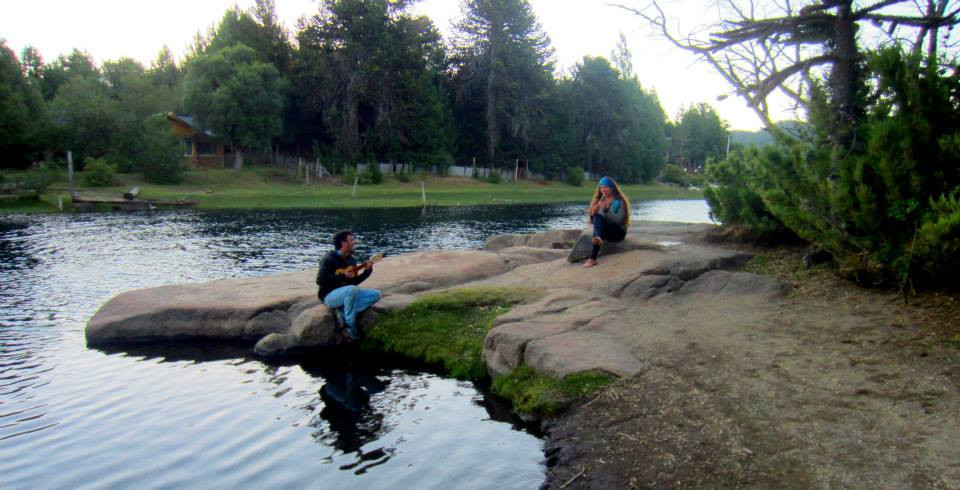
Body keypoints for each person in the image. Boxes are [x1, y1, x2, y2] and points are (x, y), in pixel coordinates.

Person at [317, 230, 382, 341]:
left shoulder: (352, 260)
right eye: (351, 240)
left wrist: (367, 272)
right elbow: (320, 280)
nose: (354, 242)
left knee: (376, 294)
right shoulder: (328, 259)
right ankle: (349, 325)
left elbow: (353, 282)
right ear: (343, 243)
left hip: (347, 292)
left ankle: (342, 312)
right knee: (351, 290)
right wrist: (343, 277)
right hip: (329, 295)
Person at [583, 176, 631, 268]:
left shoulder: (618, 201)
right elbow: (596, 221)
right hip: (607, 230)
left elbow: (617, 220)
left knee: (598, 229)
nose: (603, 190)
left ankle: (593, 257)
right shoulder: (601, 200)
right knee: (597, 218)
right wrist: (592, 214)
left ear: (612, 188)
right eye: (601, 187)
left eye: (605, 187)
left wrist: (605, 209)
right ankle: (596, 247)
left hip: (618, 232)